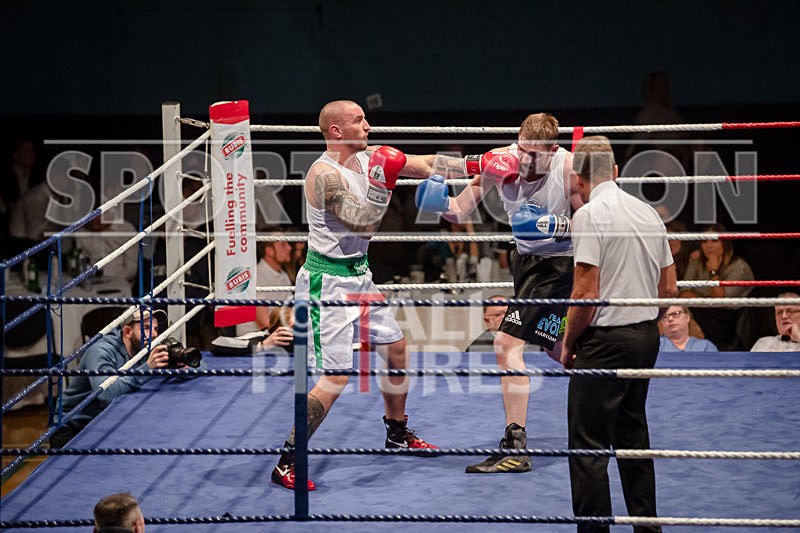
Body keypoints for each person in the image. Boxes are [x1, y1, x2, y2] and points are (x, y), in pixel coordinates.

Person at [272, 100, 454, 490]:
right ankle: (288, 461)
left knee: (397, 350)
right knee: (335, 376)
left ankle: (396, 432)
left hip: (359, 275)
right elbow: (363, 223)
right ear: (336, 131)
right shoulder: (324, 175)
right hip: (327, 282)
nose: (369, 126)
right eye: (359, 120)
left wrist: (483, 163)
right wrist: (384, 184)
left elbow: (425, 164)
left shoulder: (368, 158)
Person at [415, 112, 584, 473]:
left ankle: (515, 448)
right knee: (556, 347)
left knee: (505, 344)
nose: (525, 160)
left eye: (535, 155)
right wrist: (439, 203)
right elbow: (461, 209)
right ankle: (609, 394)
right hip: (524, 262)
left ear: (553, 150)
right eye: (522, 150)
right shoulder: (500, 161)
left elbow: (595, 223)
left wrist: (556, 225)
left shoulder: (568, 167)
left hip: (558, 265)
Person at [560, 136, 677, 532]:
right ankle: (648, 529)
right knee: (632, 435)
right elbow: (670, 290)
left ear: (578, 178)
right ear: (615, 171)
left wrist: (568, 342)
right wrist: (644, 322)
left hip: (605, 342)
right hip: (645, 337)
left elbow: (585, 295)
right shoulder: (649, 214)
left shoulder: (589, 215)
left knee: (588, 447)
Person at [50, 309, 205, 448]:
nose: (154, 334)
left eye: (156, 329)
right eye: (146, 328)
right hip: (76, 429)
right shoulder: (100, 351)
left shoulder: (147, 346)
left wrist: (183, 367)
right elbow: (107, 394)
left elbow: (200, 364)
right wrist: (146, 369)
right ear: (127, 331)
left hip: (110, 422)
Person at [682, 224, 754, 350]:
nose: (709, 245)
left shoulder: (739, 267)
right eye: (704, 241)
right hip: (699, 313)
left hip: (726, 321)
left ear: (725, 243)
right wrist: (706, 302)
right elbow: (683, 293)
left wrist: (713, 271)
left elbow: (719, 300)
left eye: (715, 241)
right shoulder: (696, 261)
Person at [235, 237, 293, 336]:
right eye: (283, 244)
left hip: (276, 331)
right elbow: (263, 323)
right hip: (255, 336)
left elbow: (290, 310)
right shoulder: (257, 276)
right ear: (269, 251)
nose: (289, 248)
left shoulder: (283, 275)